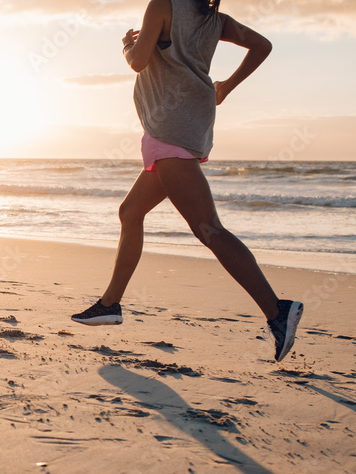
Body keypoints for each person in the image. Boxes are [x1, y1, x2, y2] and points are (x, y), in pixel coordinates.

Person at [71, 0, 303, 362]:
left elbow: (138, 62)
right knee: (130, 212)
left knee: (208, 229)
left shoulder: (162, 5)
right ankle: (109, 304)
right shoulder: (214, 18)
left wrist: (127, 46)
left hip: (171, 126)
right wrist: (224, 87)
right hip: (189, 122)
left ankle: (277, 311)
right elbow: (263, 46)